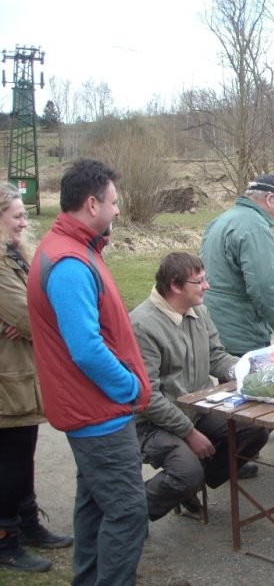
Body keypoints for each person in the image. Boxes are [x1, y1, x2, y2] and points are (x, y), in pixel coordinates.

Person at [27, 158, 152, 585]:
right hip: (99, 415)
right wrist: (129, 386)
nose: (118, 209)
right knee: (128, 512)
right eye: (114, 202)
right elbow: (86, 349)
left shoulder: (74, 250)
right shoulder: (69, 264)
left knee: (95, 505)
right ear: (92, 203)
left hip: (92, 410)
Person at [130, 253, 271, 521]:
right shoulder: (141, 325)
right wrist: (189, 432)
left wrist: (251, 369)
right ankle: (127, 514)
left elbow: (216, 356)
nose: (207, 286)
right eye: (200, 281)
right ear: (175, 286)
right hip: (151, 423)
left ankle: (186, 488)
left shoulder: (199, 312)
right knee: (187, 471)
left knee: (253, 431)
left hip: (197, 409)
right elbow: (147, 398)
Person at [0, 184, 73, 573]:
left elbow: (36, 307)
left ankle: (27, 524)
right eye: (17, 216)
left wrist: (32, 319)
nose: (24, 223)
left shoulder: (13, 256)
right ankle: (6, 541)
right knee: (10, 461)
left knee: (22, 454)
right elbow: (31, 316)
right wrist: (32, 321)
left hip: (21, 373)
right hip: (7, 379)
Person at [200, 173, 274, 356]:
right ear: (269, 198)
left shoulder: (221, 220)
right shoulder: (256, 228)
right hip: (241, 332)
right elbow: (262, 284)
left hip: (211, 325)